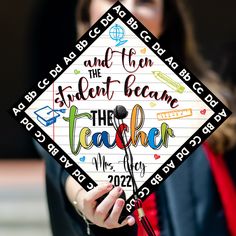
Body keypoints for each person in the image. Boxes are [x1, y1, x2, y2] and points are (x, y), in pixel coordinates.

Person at [35, 0, 236, 235]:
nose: (127, 11)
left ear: (166, 19)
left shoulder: (211, 102)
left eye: (144, 1)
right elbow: (65, 170)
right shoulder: (63, 105)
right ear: (87, 14)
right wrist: (86, 199)